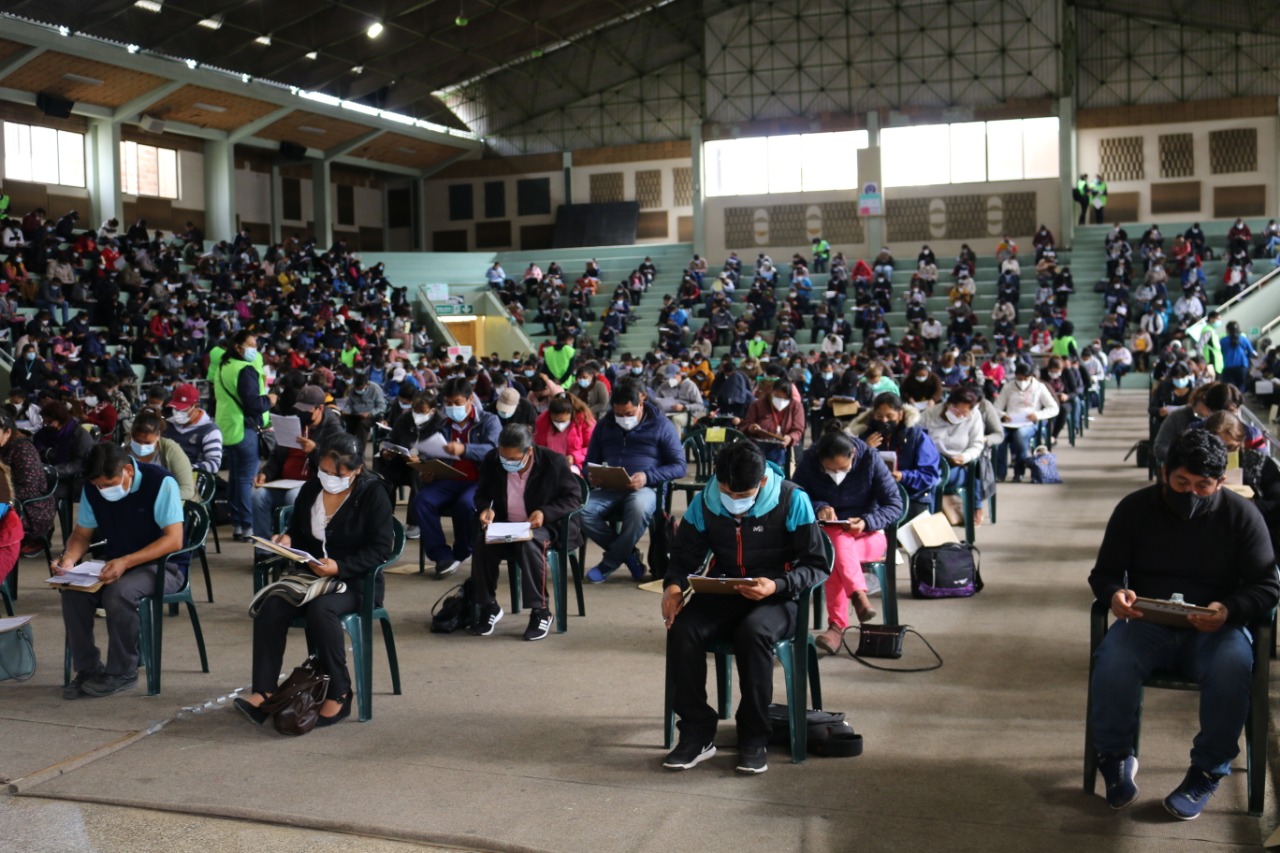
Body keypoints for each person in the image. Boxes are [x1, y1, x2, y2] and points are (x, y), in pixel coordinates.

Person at [1087, 430, 1278, 818]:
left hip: (1216, 626)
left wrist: (1229, 608)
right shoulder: (1134, 509)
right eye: (1181, 483)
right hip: (1147, 622)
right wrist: (1114, 595)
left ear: (1221, 482)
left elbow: (1268, 586)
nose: (1190, 494)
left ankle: (1207, 769)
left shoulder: (1242, 516)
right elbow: (1105, 573)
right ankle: (1115, 755)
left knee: (1232, 667)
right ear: (1164, 473)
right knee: (1113, 659)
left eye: (1202, 486)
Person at [661, 440, 828, 774]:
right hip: (723, 590)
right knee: (682, 629)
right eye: (726, 491)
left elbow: (816, 564)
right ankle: (697, 731)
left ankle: (754, 735)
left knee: (752, 634)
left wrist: (778, 585)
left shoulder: (793, 499)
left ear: (763, 481)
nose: (733, 501)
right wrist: (674, 586)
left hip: (777, 597)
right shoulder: (707, 501)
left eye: (742, 495)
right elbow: (684, 555)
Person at [238, 434, 395, 727]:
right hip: (311, 577)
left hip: (356, 582)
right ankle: (264, 691)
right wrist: (286, 538)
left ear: (358, 469)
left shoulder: (373, 495)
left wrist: (340, 566)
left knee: (321, 611)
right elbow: (297, 528)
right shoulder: (312, 488)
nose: (330, 477)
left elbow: (381, 549)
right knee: (272, 605)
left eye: (340, 473)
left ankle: (339, 693)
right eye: (324, 470)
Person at [58, 443, 185, 699]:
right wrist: (69, 560)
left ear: (128, 470)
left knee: (118, 594)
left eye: (108, 484)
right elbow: (82, 534)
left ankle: (123, 671)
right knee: (73, 592)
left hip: (164, 566)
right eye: (98, 486)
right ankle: (88, 669)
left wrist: (126, 561)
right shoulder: (93, 489)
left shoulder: (160, 482)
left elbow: (174, 540)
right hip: (116, 560)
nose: (103, 490)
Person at [791, 430, 902, 652]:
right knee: (835, 546)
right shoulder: (809, 460)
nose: (836, 474)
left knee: (833, 552)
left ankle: (837, 627)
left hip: (869, 536)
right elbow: (795, 496)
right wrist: (819, 506)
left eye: (842, 469)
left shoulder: (870, 459)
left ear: (853, 454)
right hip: (829, 536)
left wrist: (866, 521)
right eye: (829, 470)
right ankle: (857, 595)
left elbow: (895, 505)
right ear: (819, 460)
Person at [472, 424, 583, 641]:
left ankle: (541, 611)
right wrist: (486, 508)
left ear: (529, 452)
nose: (506, 463)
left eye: (512, 459)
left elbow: (574, 498)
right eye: (503, 457)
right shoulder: (492, 460)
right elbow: (482, 493)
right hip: (506, 524)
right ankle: (488, 606)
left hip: (544, 526)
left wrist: (545, 512)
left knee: (529, 543)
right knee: (482, 542)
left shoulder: (554, 462)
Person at [582, 380, 685, 583]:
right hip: (610, 487)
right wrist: (593, 474)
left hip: (647, 488)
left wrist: (647, 476)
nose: (623, 419)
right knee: (581, 511)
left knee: (638, 507)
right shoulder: (605, 425)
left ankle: (609, 563)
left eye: (629, 414)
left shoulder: (661, 425)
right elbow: (589, 462)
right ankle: (628, 555)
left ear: (641, 404)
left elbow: (679, 466)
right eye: (618, 414)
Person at [410, 377, 501, 577]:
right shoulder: (442, 424)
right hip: (448, 479)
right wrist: (427, 469)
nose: (452, 408)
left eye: (457, 403)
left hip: (479, 480)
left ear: (470, 400)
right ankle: (442, 556)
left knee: (467, 505)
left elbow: (493, 450)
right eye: (448, 403)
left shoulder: (489, 421)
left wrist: (465, 449)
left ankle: (462, 551)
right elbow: (433, 452)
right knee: (421, 501)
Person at [253, 385, 345, 547]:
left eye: (307, 410)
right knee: (259, 496)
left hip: (313, 484)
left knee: (293, 497)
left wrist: (315, 450)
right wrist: (266, 473)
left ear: (320, 409)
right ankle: (266, 551)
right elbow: (277, 456)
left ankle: (291, 548)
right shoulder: (294, 423)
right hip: (284, 481)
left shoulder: (333, 429)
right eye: (300, 409)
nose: (302, 413)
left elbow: (335, 466)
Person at [212, 331, 274, 541]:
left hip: (227, 428)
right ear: (238, 346)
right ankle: (248, 526)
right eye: (251, 344)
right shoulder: (245, 370)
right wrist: (270, 399)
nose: (255, 348)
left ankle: (238, 524)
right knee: (246, 480)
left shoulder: (224, 366)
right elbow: (253, 404)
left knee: (236, 479)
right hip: (244, 429)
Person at [848, 393, 942, 520]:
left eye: (889, 416)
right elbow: (848, 470)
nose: (884, 421)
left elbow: (929, 475)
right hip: (873, 496)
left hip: (911, 494)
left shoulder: (916, 436)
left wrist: (903, 476)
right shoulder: (865, 435)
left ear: (900, 415)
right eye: (879, 416)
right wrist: (865, 449)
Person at [0, 412, 54, 557]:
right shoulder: (4, 446)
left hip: (31, 508)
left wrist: (4, 494)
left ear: (7, 432)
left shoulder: (23, 450)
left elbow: (29, 488)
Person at [994, 361, 1059, 482]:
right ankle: (1000, 472)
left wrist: (1037, 415)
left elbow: (1053, 408)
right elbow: (996, 408)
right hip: (1010, 422)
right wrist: (1003, 415)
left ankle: (1019, 471)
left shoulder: (1039, 387)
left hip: (1029, 423)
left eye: (1025, 378)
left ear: (1031, 376)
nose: (1022, 381)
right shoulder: (1008, 387)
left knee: (1020, 435)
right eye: (1019, 378)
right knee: (999, 437)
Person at [127, 411, 196, 503]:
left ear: (158, 436)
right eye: (138, 441)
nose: (142, 446)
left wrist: (155, 497)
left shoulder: (171, 450)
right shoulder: (126, 453)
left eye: (147, 443)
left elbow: (187, 491)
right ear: (131, 435)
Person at [741, 377, 805, 468]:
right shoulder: (757, 405)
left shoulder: (796, 406)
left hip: (782, 448)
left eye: (785, 398)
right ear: (772, 392)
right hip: (759, 446)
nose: (781, 401)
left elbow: (798, 429)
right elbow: (746, 424)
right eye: (778, 397)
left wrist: (790, 437)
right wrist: (751, 428)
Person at [163, 383, 223, 476]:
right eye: (176, 409)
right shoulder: (166, 425)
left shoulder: (209, 430)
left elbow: (214, 464)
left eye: (183, 410)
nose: (178, 413)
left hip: (192, 479)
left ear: (196, 406)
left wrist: (185, 469)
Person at [533, 393, 594, 475]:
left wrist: (574, 457)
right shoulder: (542, 422)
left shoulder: (584, 421)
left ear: (571, 414)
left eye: (563, 421)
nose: (559, 424)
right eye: (556, 421)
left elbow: (592, 447)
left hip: (575, 465)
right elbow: (537, 447)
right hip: (549, 464)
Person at [342, 371, 387, 445]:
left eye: (360, 388)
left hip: (372, 415)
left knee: (362, 424)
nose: (358, 390)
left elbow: (382, 406)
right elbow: (349, 404)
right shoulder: (352, 390)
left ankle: (360, 450)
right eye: (357, 388)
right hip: (356, 414)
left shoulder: (375, 389)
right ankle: (349, 446)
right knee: (347, 421)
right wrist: (346, 410)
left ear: (366, 384)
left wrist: (370, 413)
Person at [1218, 321, 1255, 391]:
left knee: (1230, 387)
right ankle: (1240, 399)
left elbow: (1221, 352)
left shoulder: (1223, 341)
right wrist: (1246, 358)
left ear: (1227, 330)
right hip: (1242, 366)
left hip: (1228, 367)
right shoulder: (1244, 339)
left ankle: (1232, 400)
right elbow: (1251, 352)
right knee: (1242, 385)